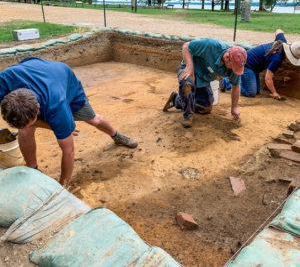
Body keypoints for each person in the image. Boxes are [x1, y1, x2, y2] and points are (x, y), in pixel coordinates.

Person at [0, 57, 138, 186]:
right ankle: (33, 168)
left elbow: (69, 151)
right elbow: (27, 123)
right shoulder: (4, 80)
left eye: (33, 120)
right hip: (40, 71)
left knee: (94, 119)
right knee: (25, 129)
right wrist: (53, 127)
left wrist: (63, 186)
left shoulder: (57, 107)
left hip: (68, 86)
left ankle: (116, 135)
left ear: (38, 107)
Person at [162, 38, 247, 127]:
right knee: (187, 85)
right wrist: (189, 66)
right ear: (226, 57)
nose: (234, 70)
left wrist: (234, 107)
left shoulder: (234, 66)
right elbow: (186, 46)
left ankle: (176, 100)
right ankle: (188, 115)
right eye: (233, 67)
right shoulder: (211, 45)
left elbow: (236, 86)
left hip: (203, 80)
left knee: (205, 108)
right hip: (189, 70)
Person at [220, 29, 300, 99]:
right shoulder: (276, 59)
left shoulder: (282, 41)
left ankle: (237, 80)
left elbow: (279, 31)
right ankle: (227, 82)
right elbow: (268, 78)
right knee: (251, 92)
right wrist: (274, 93)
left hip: (255, 68)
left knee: (257, 91)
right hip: (247, 65)